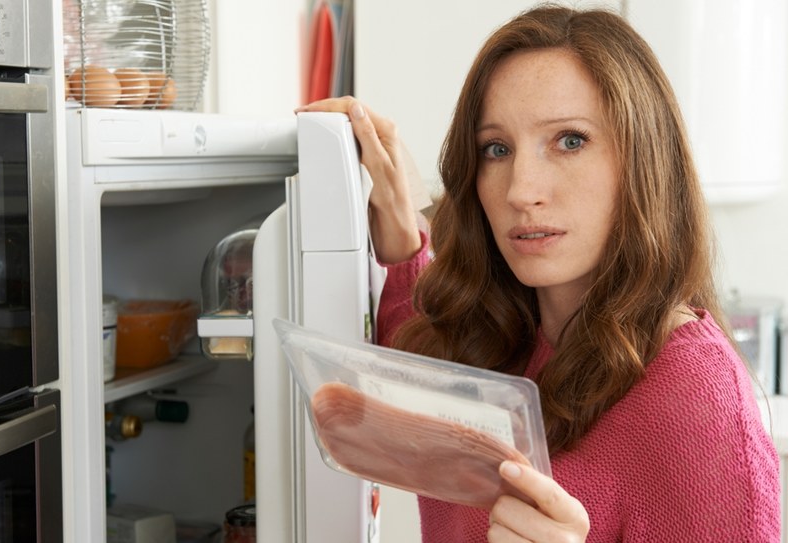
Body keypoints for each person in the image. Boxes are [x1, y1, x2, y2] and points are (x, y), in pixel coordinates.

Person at [296, 4, 780, 542]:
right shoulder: (503, 336)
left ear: (644, 161)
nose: (521, 190)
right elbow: (414, 375)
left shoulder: (692, 395)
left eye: (569, 140)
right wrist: (403, 234)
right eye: (496, 149)